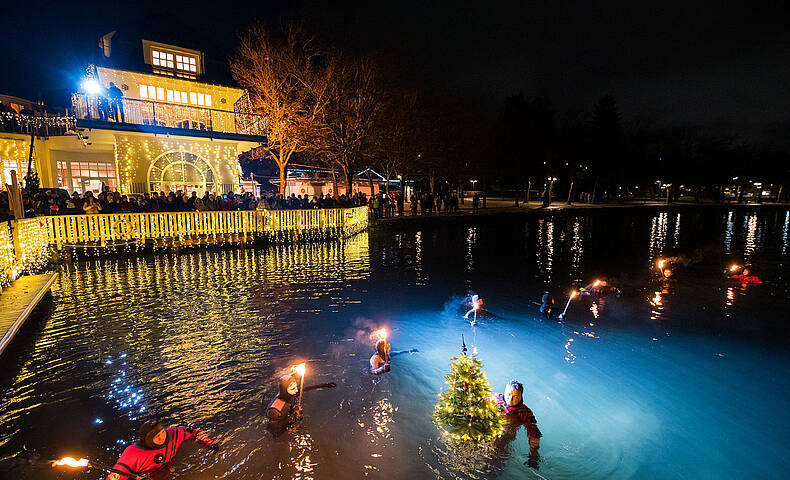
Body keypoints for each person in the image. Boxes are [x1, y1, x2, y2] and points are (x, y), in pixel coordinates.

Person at [105, 420, 217, 480]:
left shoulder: (174, 434)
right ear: (148, 439)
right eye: (157, 436)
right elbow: (115, 476)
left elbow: (195, 433)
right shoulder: (132, 454)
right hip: (149, 475)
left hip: (169, 467)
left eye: (163, 432)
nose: (162, 437)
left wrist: (209, 443)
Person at [267, 374, 336, 436]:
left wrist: (325, 385)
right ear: (284, 390)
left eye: (296, 387)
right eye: (293, 388)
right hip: (280, 433)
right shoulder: (275, 410)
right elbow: (274, 432)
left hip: (288, 420)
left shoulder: (291, 394)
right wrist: (293, 420)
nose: (296, 390)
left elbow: (306, 389)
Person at [494, 380, 542, 468]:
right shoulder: (495, 399)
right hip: (488, 431)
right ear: (504, 392)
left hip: (504, 438)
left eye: (515, 396)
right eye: (508, 394)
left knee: (495, 464)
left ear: (521, 397)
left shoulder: (524, 412)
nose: (511, 399)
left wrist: (533, 454)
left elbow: (533, 431)